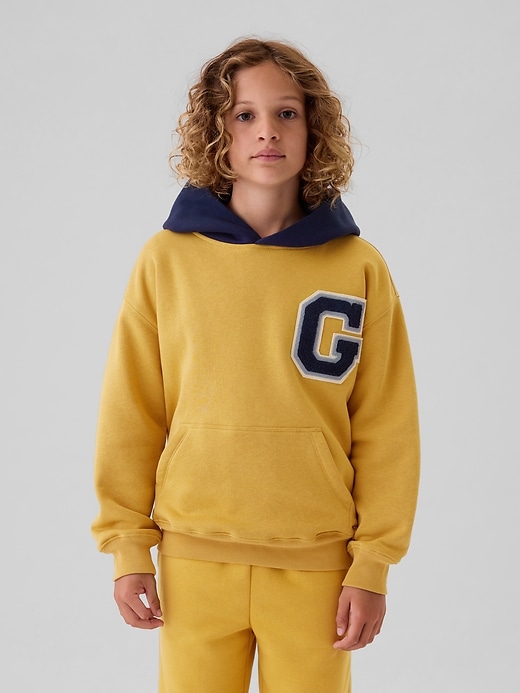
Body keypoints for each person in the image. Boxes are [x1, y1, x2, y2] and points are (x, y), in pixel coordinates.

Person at [92, 37, 420, 693]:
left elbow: (387, 423)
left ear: (315, 127)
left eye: (286, 113)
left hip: (318, 566)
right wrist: (128, 546)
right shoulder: (165, 260)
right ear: (217, 131)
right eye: (244, 115)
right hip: (192, 559)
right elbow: (132, 410)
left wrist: (373, 563)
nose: (267, 131)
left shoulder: (358, 266)